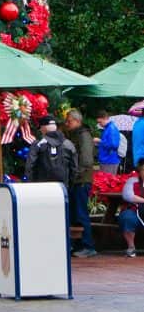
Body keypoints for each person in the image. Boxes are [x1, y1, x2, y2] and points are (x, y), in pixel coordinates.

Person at [64, 108, 97, 258]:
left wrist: (76, 174)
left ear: (77, 121)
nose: (67, 124)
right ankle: (78, 245)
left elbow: (87, 160)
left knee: (81, 213)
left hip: (82, 180)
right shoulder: (76, 134)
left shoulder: (83, 135)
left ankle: (88, 245)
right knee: (75, 213)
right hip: (77, 180)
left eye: (69, 121)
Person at [24, 115, 77, 187]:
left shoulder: (38, 144)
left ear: (43, 128)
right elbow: (74, 168)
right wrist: (68, 186)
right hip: (62, 188)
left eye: (40, 128)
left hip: (41, 188)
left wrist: (31, 184)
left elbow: (29, 166)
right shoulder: (68, 144)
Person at [117, 157, 144, 258]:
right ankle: (131, 247)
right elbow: (128, 195)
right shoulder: (132, 181)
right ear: (139, 171)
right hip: (135, 211)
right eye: (143, 170)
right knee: (127, 217)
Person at [94, 109, 122, 174]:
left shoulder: (111, 128)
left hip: (109, 161)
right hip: (106, 160)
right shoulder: (107, 128)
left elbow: (114, 145)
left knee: (109, 182)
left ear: (105, 118)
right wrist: (98, 144)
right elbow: (106, 143)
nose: (99, 124)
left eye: (100, 122)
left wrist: (99, 141)